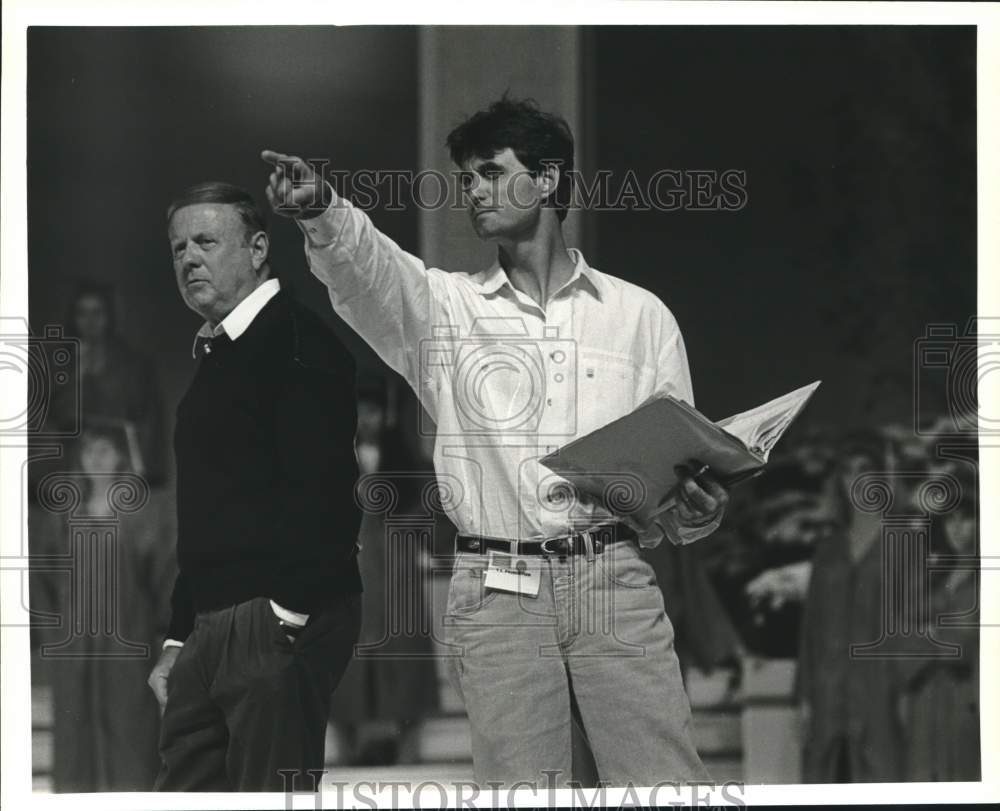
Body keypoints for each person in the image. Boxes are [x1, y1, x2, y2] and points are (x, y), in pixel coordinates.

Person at [261, 95, 729, 787]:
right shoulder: (448, 311)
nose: (472, 191)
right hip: (498, 592)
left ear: (546, 180)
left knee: (663, 788)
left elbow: (676, 491)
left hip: (614, 581)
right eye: (465, 179)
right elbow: (372, 274)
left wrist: (699, 504)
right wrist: (322, 210)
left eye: (488, 171)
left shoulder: (641, 318)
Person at [146, 182, 362, 792]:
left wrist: (286, 618)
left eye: (207, 241)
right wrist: (177, 637)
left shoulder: (297, 341)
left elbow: (326, 497)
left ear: (259, 247)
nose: (189, 258)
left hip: (274, 619)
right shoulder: (220, 353)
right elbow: (208, 513)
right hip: (212, 627)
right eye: (178, 247)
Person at [30, 425, 175, 791]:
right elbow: (43, 579)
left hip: (127, 642)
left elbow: (163, 578)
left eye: (104, 450)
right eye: (88, 450)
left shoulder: (143, 517)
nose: (94, 457)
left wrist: (162, 634)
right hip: (73, 646)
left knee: (131, 736)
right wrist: (53, 633)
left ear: (122, 456)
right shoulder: (61, 517)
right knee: (75, 739)